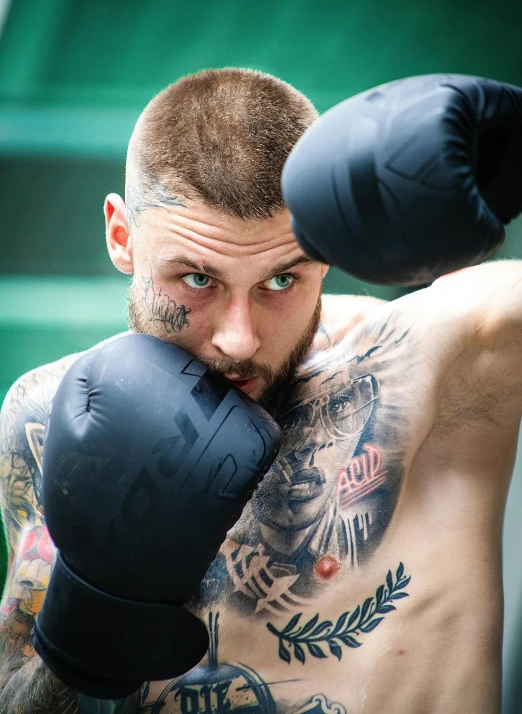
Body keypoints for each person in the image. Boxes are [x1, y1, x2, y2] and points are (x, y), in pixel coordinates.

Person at [0, 67, 520, 714]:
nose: (240, 338)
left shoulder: (438, 359)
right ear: (121, 236)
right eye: (197, 278)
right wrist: (89, 624)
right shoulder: (43, 417)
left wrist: (512, 150)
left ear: (327, 251)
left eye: (280, 281)